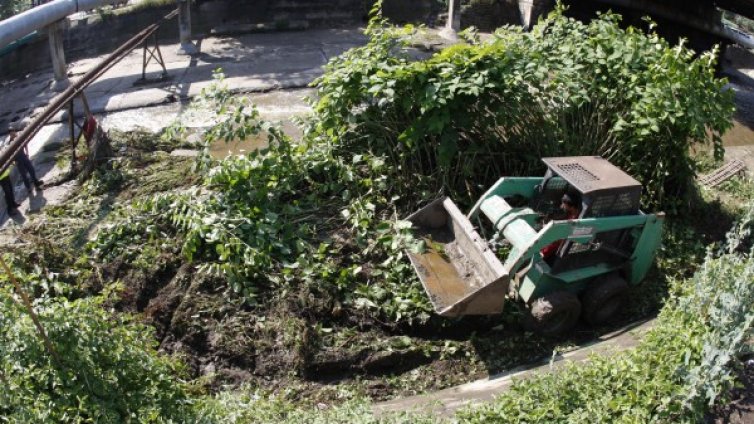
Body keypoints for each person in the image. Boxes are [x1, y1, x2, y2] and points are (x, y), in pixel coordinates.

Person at [540, 192, 582, 261]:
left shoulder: (576, 219)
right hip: (559, 235)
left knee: (549, 245)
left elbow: (562, 236)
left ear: (571, 206)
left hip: (562, 240)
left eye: (564, 204)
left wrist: (548, 230)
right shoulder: (572, 213)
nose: (561, 206)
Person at [9, 129, 43, 194]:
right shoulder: (10, 143)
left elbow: (25, 144)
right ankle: (28, 188)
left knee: (31, 170)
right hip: (18, 160)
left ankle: (36, 184)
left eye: (14, 133)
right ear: (10, 135)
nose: (13, 134)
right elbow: (10, 154)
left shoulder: (19, 138)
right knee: (24, 175)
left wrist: (27, 153)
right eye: (12, 134)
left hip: (24, 157)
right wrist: (13, 162)